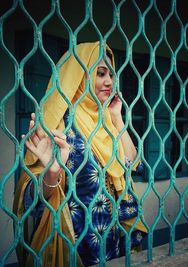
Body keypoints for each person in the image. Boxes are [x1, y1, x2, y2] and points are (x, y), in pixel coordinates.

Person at [13, 41, 147, 267]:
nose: (109, 82)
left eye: (111, 74)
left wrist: (117, 118)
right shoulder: (59, 124)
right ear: (79, 77)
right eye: (100, 73)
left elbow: (134, 165)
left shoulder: (106, 121)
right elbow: (31, 201)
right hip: (73, 245)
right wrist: (52, 174)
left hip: (112, 242)